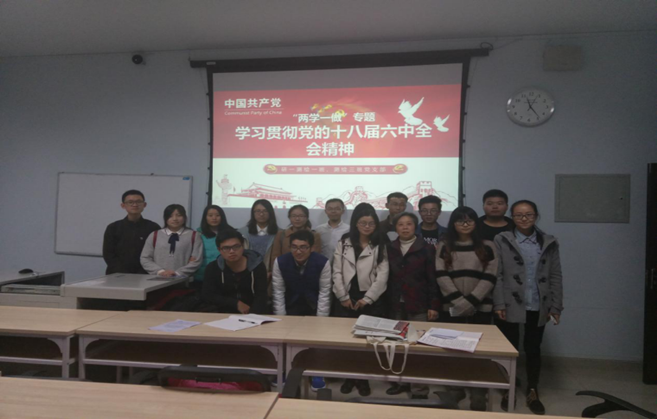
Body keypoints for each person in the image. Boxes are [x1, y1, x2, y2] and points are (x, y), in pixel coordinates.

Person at [493, 200, 563, 415]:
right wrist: (499, 302)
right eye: (518, 215)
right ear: (512, 217)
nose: (524, 219)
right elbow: (497, 274)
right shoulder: (502, 239)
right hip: (509, 303)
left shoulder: (548, 241)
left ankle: (533, 389)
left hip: (538, 302)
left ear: (536, 216)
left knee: (533, 348)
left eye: (529, 215)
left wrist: (556, 306)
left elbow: (555, 275)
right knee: (509, 349)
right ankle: (509, 388)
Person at [435, 206, 498, 411]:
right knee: (453, 349)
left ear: (475, 223)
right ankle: (455, 388)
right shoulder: (444, 245)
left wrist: (470, 301)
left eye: (469, 220)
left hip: (480, 306)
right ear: (453, 223)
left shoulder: (488, 245)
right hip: (451, 306)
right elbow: (441, 275)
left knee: (478, 350)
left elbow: (490, 276)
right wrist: (460, 302)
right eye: (460, 220)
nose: (465, 224)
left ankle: (478, 391)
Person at [332, 202, 389, 397]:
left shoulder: (381, 243)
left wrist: (368, 298)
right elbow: (337, 271)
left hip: (370, 299)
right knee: (347, 341)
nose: (367, 227)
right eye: (363, 223)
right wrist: (342, 296)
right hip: (347, 297)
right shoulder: (344, 242)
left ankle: (362, 378)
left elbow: (383, 275)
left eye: (371, 223)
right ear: (355, 223)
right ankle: (349, 377)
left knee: (366, 342)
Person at [385, 212, 439, 399]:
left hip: (419, 303)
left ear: (415, 226)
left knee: (417, 348)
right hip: (396, 304)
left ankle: (419, 389)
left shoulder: (426, 248)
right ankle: (400, 383)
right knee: (398, 346)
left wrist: (433, 305)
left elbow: (432, 278)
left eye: (409, 224)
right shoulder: (390, 248)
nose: (405, 227)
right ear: (395, 228)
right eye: (401, 224)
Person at [272, 229, 331, 392]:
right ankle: (285, 370)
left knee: (315, 341)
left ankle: (317, 373)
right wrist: (281, 319)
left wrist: (321, 320)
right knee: (287, 341)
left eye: (303, 247)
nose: (298, 251)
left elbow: (325, 291)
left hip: (313, 305)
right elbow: (278, 291)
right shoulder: (280, 261)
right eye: (294, 247)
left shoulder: (323, 262)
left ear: (311, 248)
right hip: (290, 305)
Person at [201, 229, 268, 314]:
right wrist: (236, 303)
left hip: (253, 313)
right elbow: (208, 295)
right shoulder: (213, 268)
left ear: (242, 246)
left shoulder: (257, 266)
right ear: (219, 250)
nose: (232, 251)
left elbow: (261, 296)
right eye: (226, 248)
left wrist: (252, 316)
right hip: (223, 313)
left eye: (236, 247)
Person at [103, 190, 160, 274]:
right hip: (117, 274)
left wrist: (143, 272)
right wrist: (123, 273)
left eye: (138, 202)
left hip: (145, 274)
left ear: (144, 205)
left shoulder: (153, 227)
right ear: (123, 205)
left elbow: (157, 253)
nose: (135, 205)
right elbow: (108, 254)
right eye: (130, 202)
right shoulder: (113, 228)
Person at [140, 204, 203, 278]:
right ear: (165, 218)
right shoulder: (155, 235)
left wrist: (177, 273)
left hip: (183, 280)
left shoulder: (194, 235)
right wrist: (160, 271)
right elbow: (145, 258)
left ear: (184, 217)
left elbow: (196, 260)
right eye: (170, 216)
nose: (175, 219)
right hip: (157, 279)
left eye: (179, 215)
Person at [194, 205, 234, 286]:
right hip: (203, 274)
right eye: (210, 215)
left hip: (225, 273)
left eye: (217, 215)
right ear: (205, 217)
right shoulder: (198, 234)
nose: (214, 218)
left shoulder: (231, 233)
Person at [238, 199, 279, 275]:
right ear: (253, 213)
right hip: (247, 272)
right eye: (258, 211)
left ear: (270, 213)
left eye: (265, 211)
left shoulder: (279, 233)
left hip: (271, 273)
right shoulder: (242, 233)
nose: (261, 214)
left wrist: (271, 272)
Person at [314, 198, 350, 263]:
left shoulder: (349, 229)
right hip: (322, 264)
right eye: (330, 209)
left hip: (343, 264)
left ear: (343, 211)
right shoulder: (319, 230)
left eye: (337, 209)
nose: (333, 211)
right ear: (326, 211)